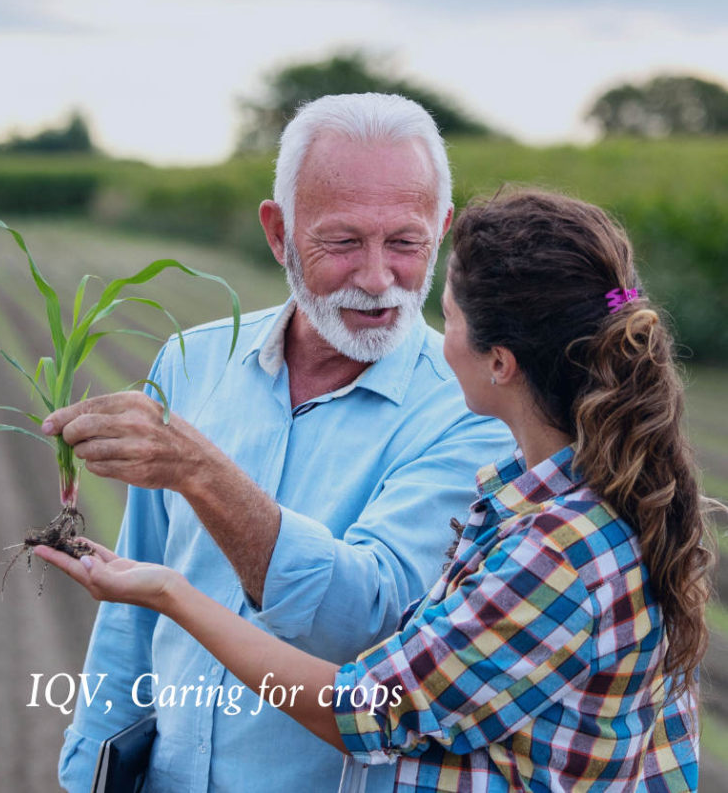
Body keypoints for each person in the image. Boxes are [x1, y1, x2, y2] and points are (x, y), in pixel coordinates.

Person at [41, 188, 712, 792]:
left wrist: (173, 592)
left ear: (500, 363)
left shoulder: (560, 546)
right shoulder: (540, 499)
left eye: (445, 317)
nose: (426, 333)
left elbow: (371, 711)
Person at [45, 94, 514, 792]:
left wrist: (203, 473)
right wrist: (88, 768)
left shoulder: (470, 412)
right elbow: (131, 608)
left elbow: (372, 617)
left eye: (406, 243)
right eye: (344, 242)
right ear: (279, 233)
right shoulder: (191, 364)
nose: (379, 278)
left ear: (441, 231)